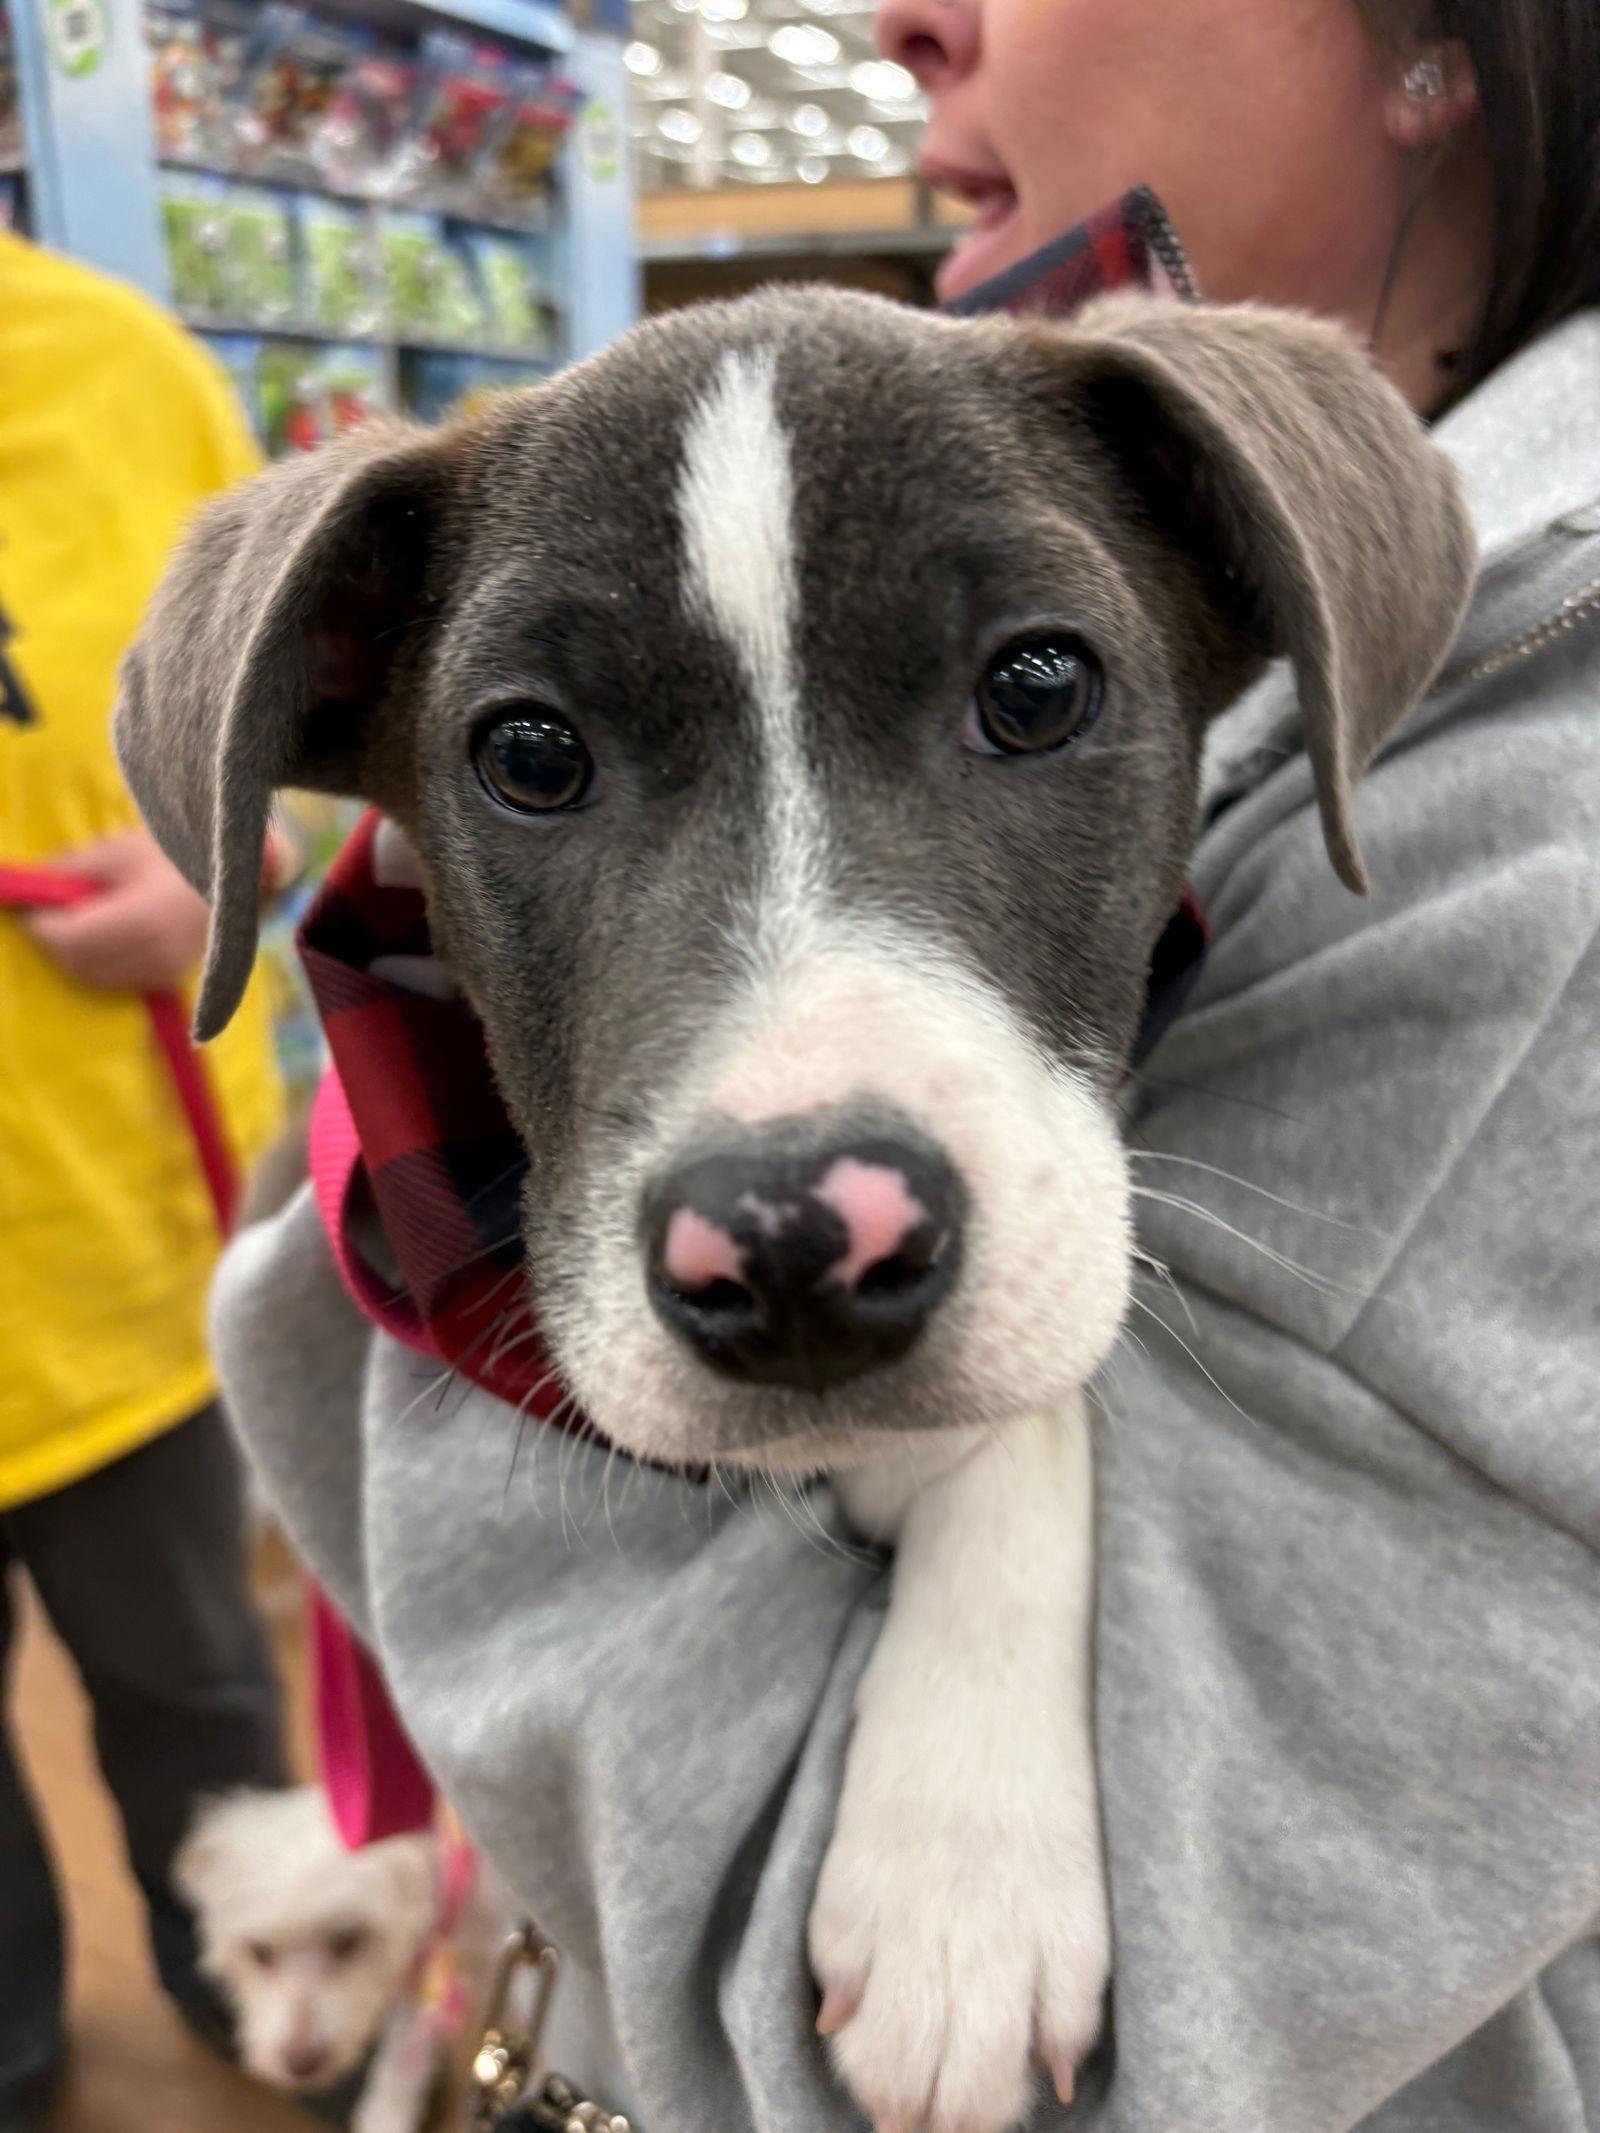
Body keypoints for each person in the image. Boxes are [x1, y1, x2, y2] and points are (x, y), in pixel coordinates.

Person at [196, 2, 1600, 2129]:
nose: (905, 12)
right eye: (537, 754)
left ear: (1435, 35)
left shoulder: (1533, 781)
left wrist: (1003, 1506)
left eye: (1032, 689)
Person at [0, 229, 288, 2128]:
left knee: (193, 1682)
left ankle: (261, 1990)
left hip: (111, 1248)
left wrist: (216, 879)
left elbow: (295, 726)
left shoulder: (113, 365)